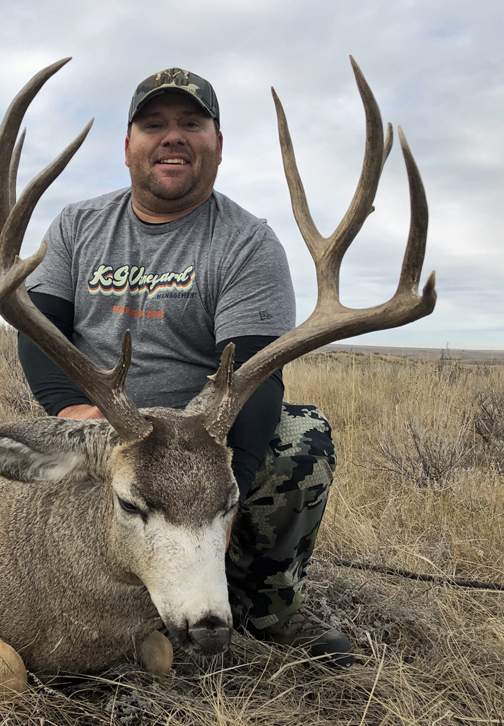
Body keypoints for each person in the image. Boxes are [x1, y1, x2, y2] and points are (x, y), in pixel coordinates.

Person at [18, 67, 354, 666]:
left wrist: (231, 489)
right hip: (107, 427)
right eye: (154, 125)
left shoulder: (247, 243)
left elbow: (255, 373)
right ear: (128, 147)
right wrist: (70, 409)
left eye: (191, 124)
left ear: (217, 145)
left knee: (303, 442)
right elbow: (37, 330)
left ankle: (265, 608)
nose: (172, 137)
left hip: (201, 437)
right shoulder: (78, 225)